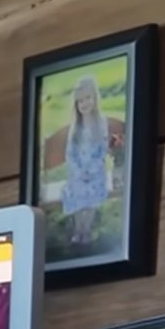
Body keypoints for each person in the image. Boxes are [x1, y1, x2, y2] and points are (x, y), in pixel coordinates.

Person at [59, 74, 115, 250]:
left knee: (92, 192)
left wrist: (91, 170)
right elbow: (70, 153)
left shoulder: (101, 123)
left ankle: (86, 230)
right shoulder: (75, 127)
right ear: (76, 104)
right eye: (80, 101)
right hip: (77, 172)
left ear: (95, 98)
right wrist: (78, 171)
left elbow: (102, 149)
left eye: (88, 98)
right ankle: (79, 229)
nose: (84, 104)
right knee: (76, 191)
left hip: (94, 171)